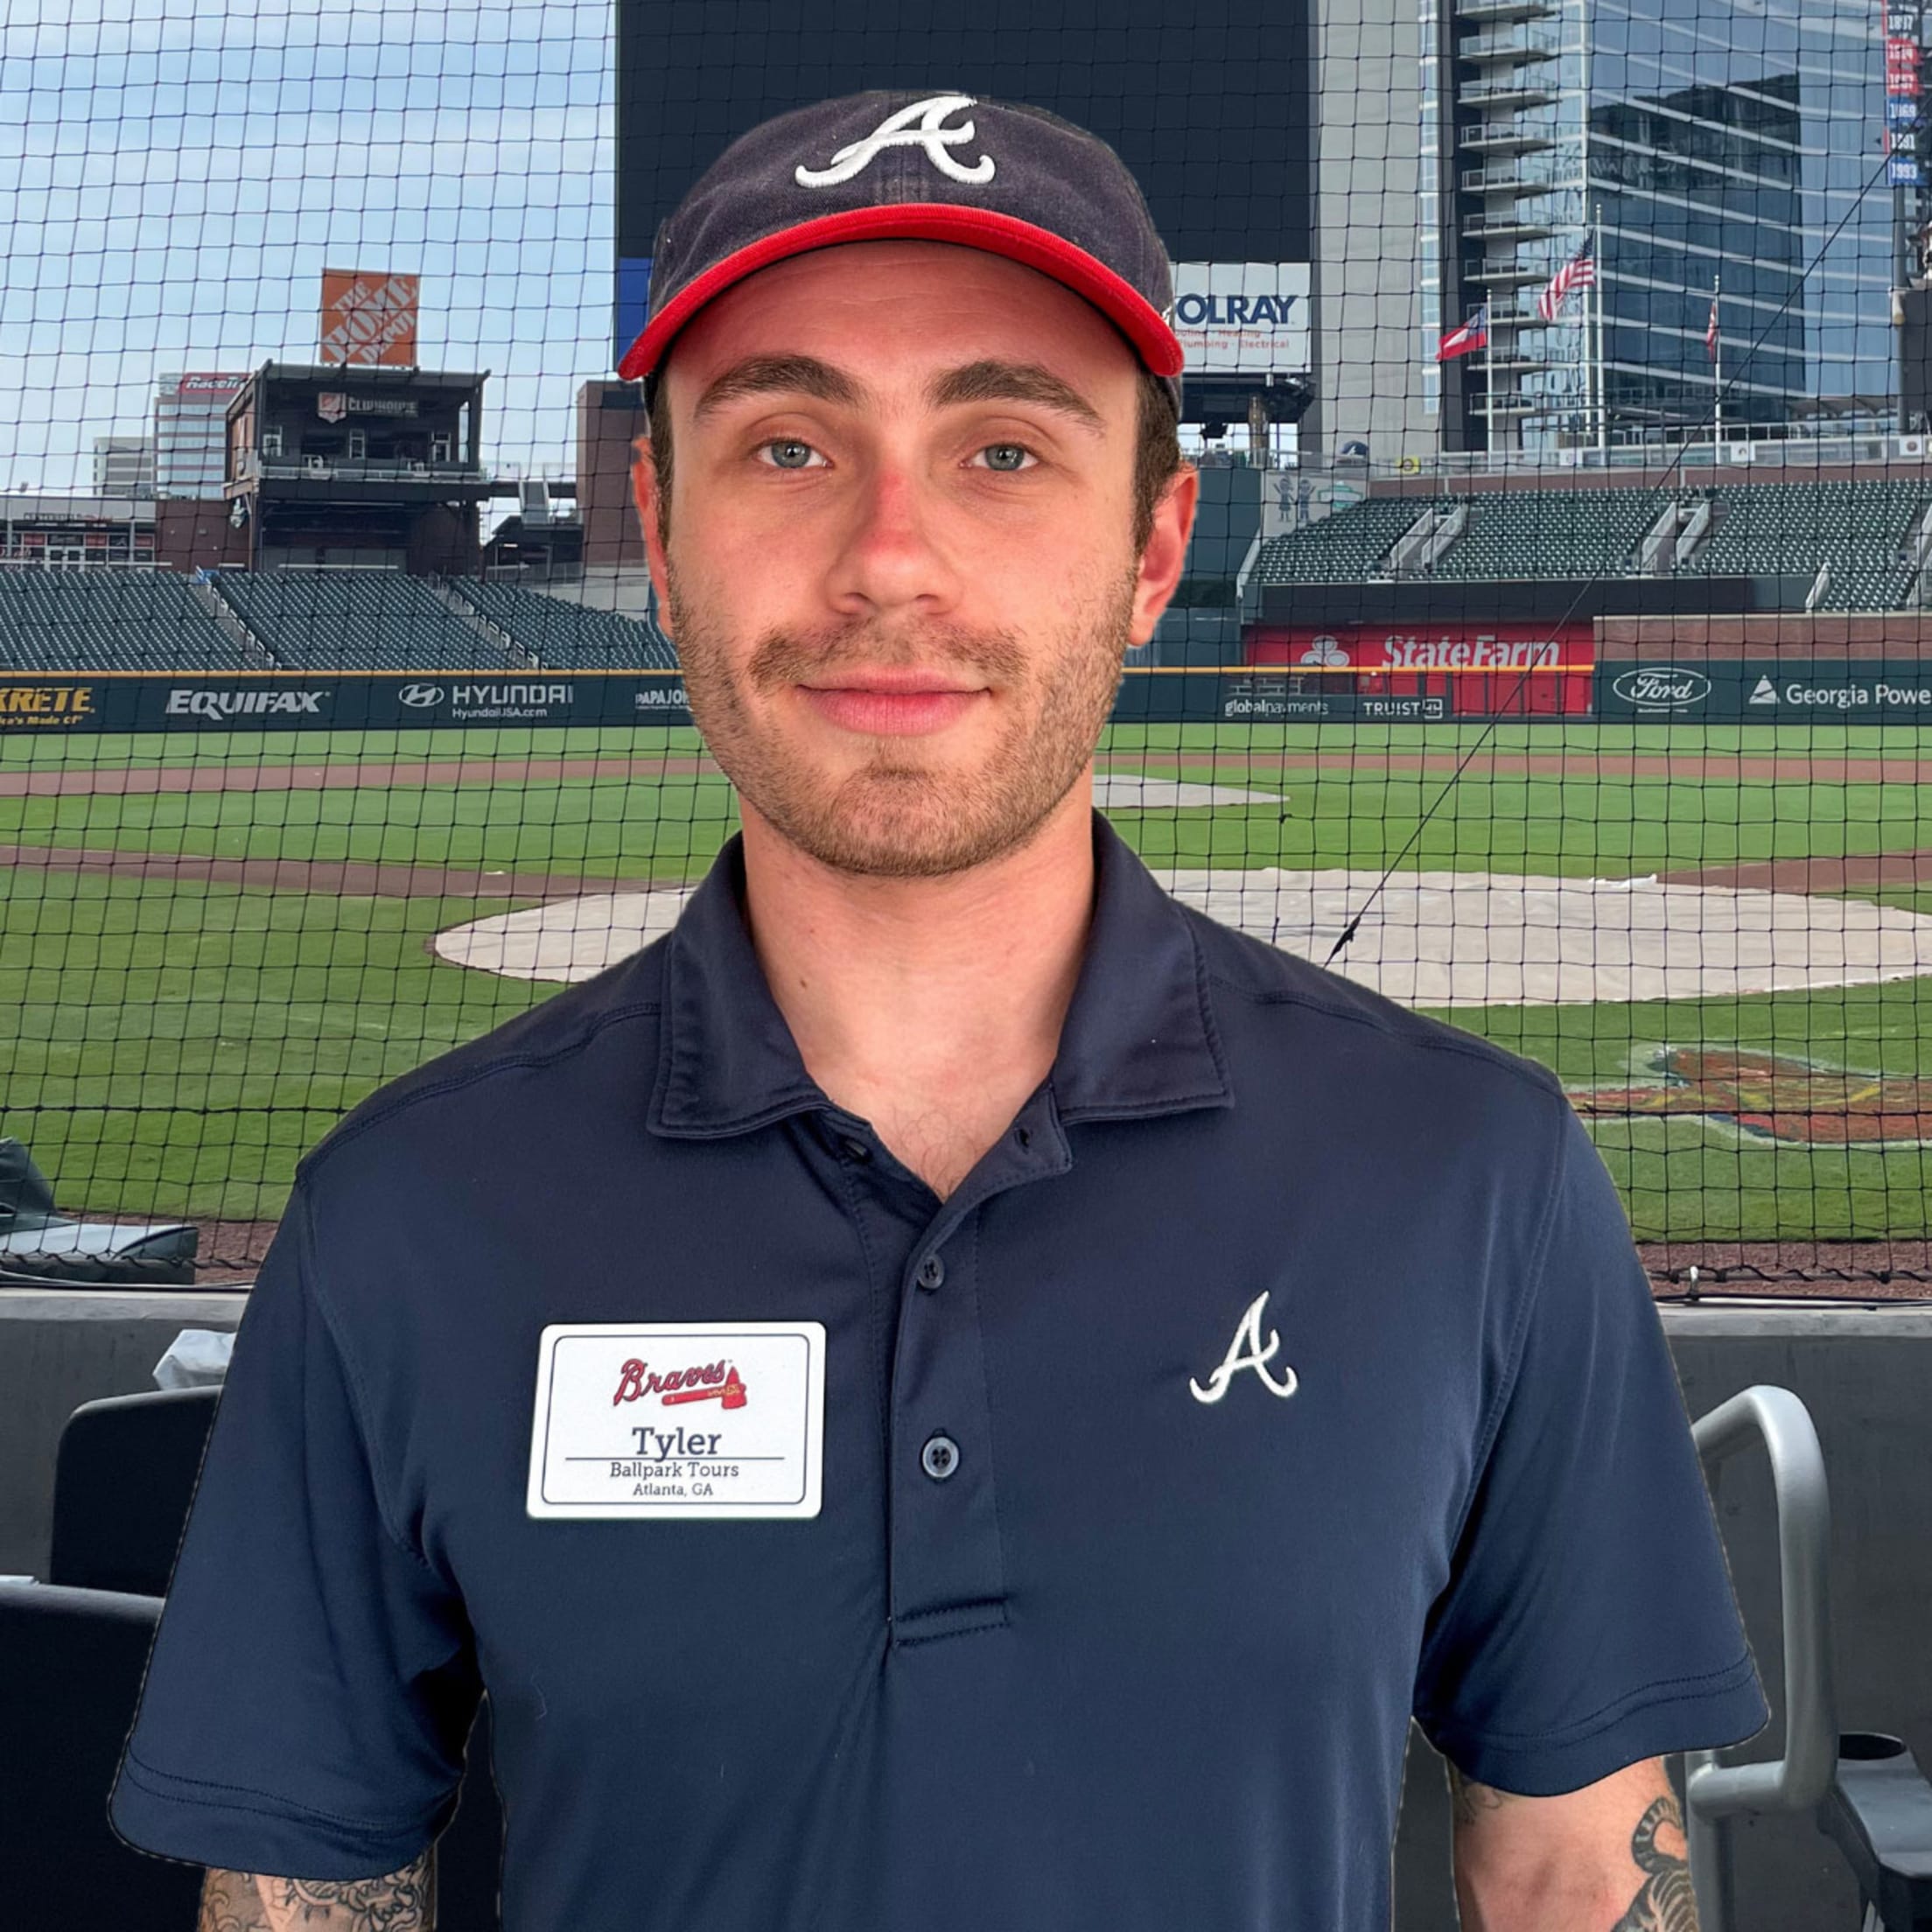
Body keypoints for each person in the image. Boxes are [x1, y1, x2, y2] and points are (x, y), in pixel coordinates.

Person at [109, 90, 1768, 1930]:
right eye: (789, 446)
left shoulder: (1473, 1176)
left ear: (1152, 551)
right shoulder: (407, 1217)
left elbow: (1576, 1866)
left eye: (1003, 450)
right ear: (661, 532)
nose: (889, 556)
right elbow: (305, 1889)